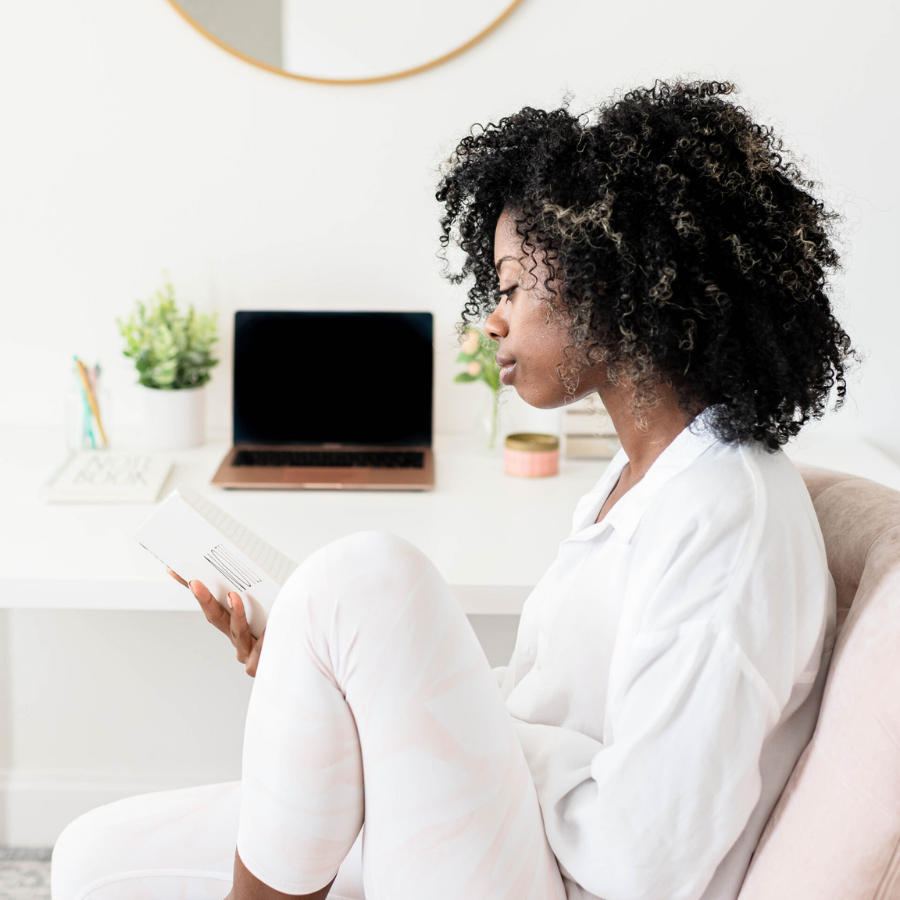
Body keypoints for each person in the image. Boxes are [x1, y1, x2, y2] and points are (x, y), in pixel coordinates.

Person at [50, 80, 852, 900]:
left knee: (366, 580)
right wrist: (334, 676)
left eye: (509, 288)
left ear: (612, 283)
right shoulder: (636, 480)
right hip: (505, 838)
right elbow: (549, 707)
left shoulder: (729, 516)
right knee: (89, 857)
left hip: (563, 881)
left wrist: (462, 727)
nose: (491, 320)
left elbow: (644, 861)